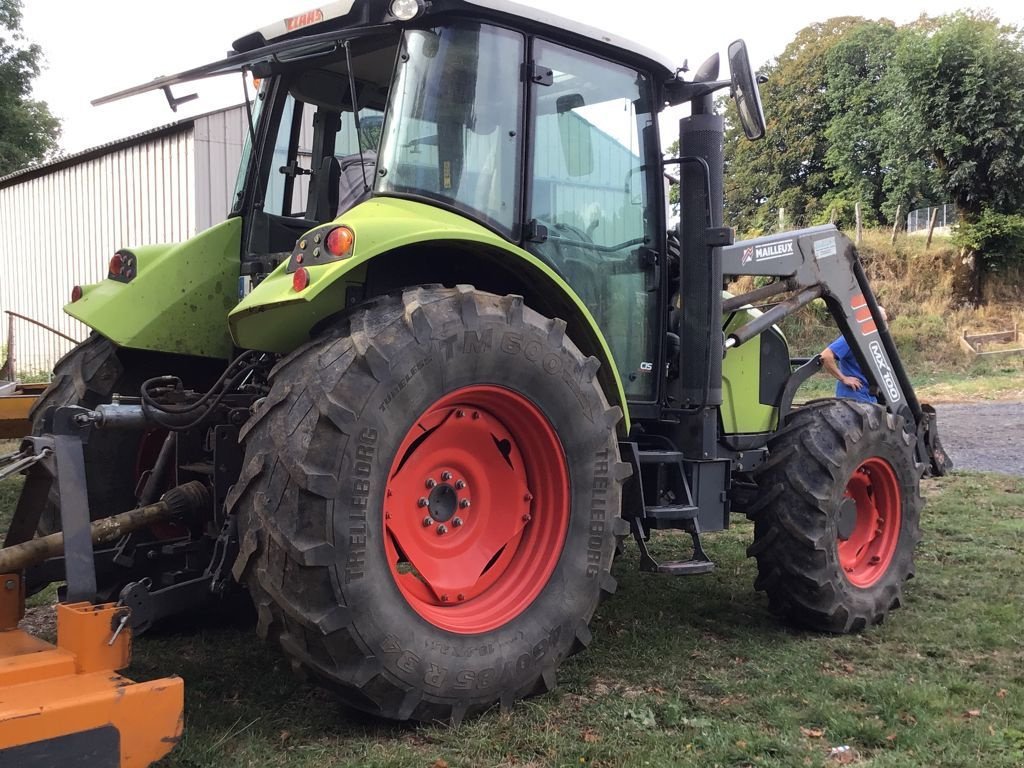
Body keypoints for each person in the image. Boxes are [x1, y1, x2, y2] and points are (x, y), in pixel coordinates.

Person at [820, 307, 887, 403]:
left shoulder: (872, 342)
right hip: (854, 398)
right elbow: (825, 356)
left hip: (868, 397)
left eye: (885, 321)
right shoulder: (853, 338)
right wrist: (844, 379)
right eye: (882, 321)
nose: (885, 325)